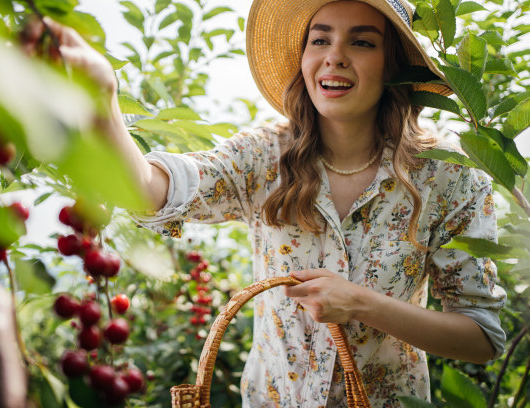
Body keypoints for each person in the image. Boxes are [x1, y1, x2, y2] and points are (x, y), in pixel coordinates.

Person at [35, 0, 507, 405]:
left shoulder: (448, 177)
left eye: (361, 42)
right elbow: (152, 191)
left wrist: (363, 304)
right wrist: (104, 98)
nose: (334, 57)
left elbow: (481, 338)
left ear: (394, 65)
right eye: (319, 41)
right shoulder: (263, 158)